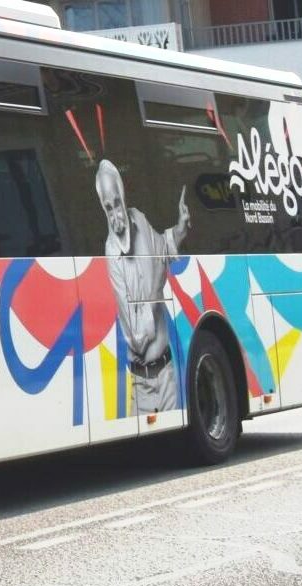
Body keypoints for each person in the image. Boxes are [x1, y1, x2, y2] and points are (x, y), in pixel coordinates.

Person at [96, 159, 191, 413]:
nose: (116, 215)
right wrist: (154, 293)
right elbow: (136, 339)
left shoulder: (138, 218)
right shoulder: (112, 254)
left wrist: (180, 229)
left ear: (123, 197)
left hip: (167, 373)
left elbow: (162, 251)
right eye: (108, 208)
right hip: (143, 385)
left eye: (117, 203)